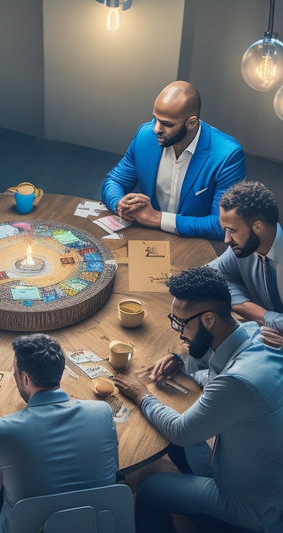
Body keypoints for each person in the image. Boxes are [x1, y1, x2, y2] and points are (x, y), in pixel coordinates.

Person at [113, 266, 283, 533]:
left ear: (208, 320)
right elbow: (212, 359)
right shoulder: (254, 333)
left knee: (148, 489)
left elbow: (181, 432)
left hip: (254, 507)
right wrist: (181, 359)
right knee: (170, 434)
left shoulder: (237, 382)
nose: (179, 332)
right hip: (262, 475)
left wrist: (141, 394)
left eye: (181, 323)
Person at [0, 333, 118, 533]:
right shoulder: (103, 412)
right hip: (93, 525)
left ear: (25, 378)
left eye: (15, 372)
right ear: (60, 372)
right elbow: (113, 471)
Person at [101, 81, 246, 240]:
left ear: (191, 123)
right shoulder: (145, 136)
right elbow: (114, 181)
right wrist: (119, 204)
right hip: (147, 236)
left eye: (166, 124)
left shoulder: (228, 155)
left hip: (194, 244)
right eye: (155, 119)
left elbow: (224, 224)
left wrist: (158, 218)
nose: (156, 129)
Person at [210, 181, 283, 349]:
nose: (226, 240)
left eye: (232, 231)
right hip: (258, 339)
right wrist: (264, 316)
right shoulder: (245, 248)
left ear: (258, 226)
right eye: (225, 230)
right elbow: (210, 277)